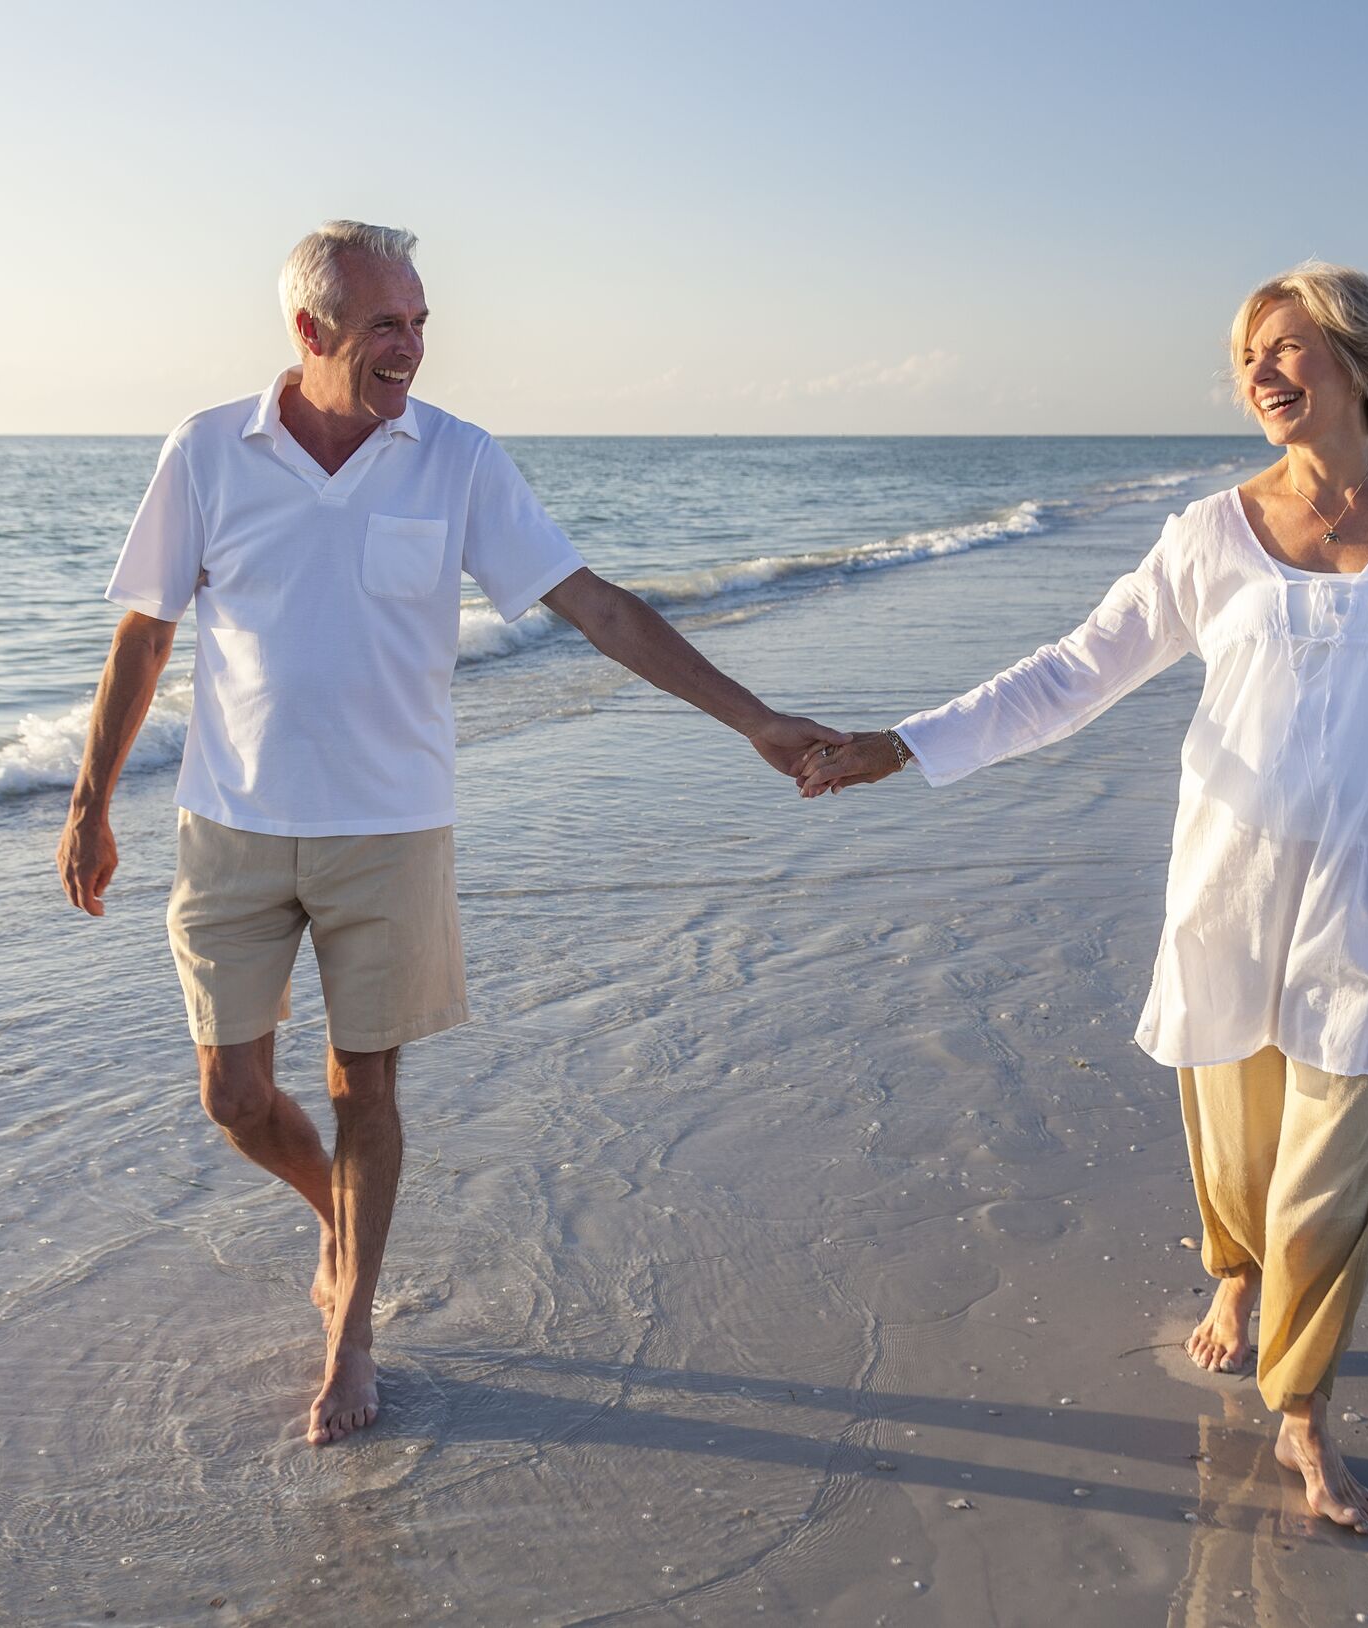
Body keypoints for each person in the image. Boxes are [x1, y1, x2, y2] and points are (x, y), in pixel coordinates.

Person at [57, 221, 840, 1446]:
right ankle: (336, 1211)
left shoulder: (457, 460)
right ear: (310, 331)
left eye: (421, 323)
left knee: (364, 1082)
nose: (412, 348)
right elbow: (146, 634)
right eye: (386, 326)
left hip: (393, 832)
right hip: (231, 825)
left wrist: (747, 718)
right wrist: (90, 800)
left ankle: (351, 1328)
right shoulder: (207, 451)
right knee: (234, 1092)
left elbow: (594, 606)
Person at [802, 261, 1368, 1535]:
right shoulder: (1207, 531)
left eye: (1286, 347)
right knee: (1238, 1148)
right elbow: (1076, 669)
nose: (1260, 372)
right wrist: (904, 741)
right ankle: (1231, 1276)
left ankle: (1300, 1408)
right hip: (1232, 885)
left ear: (1357, 363)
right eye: (1247, 353)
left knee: (1333, 1161)